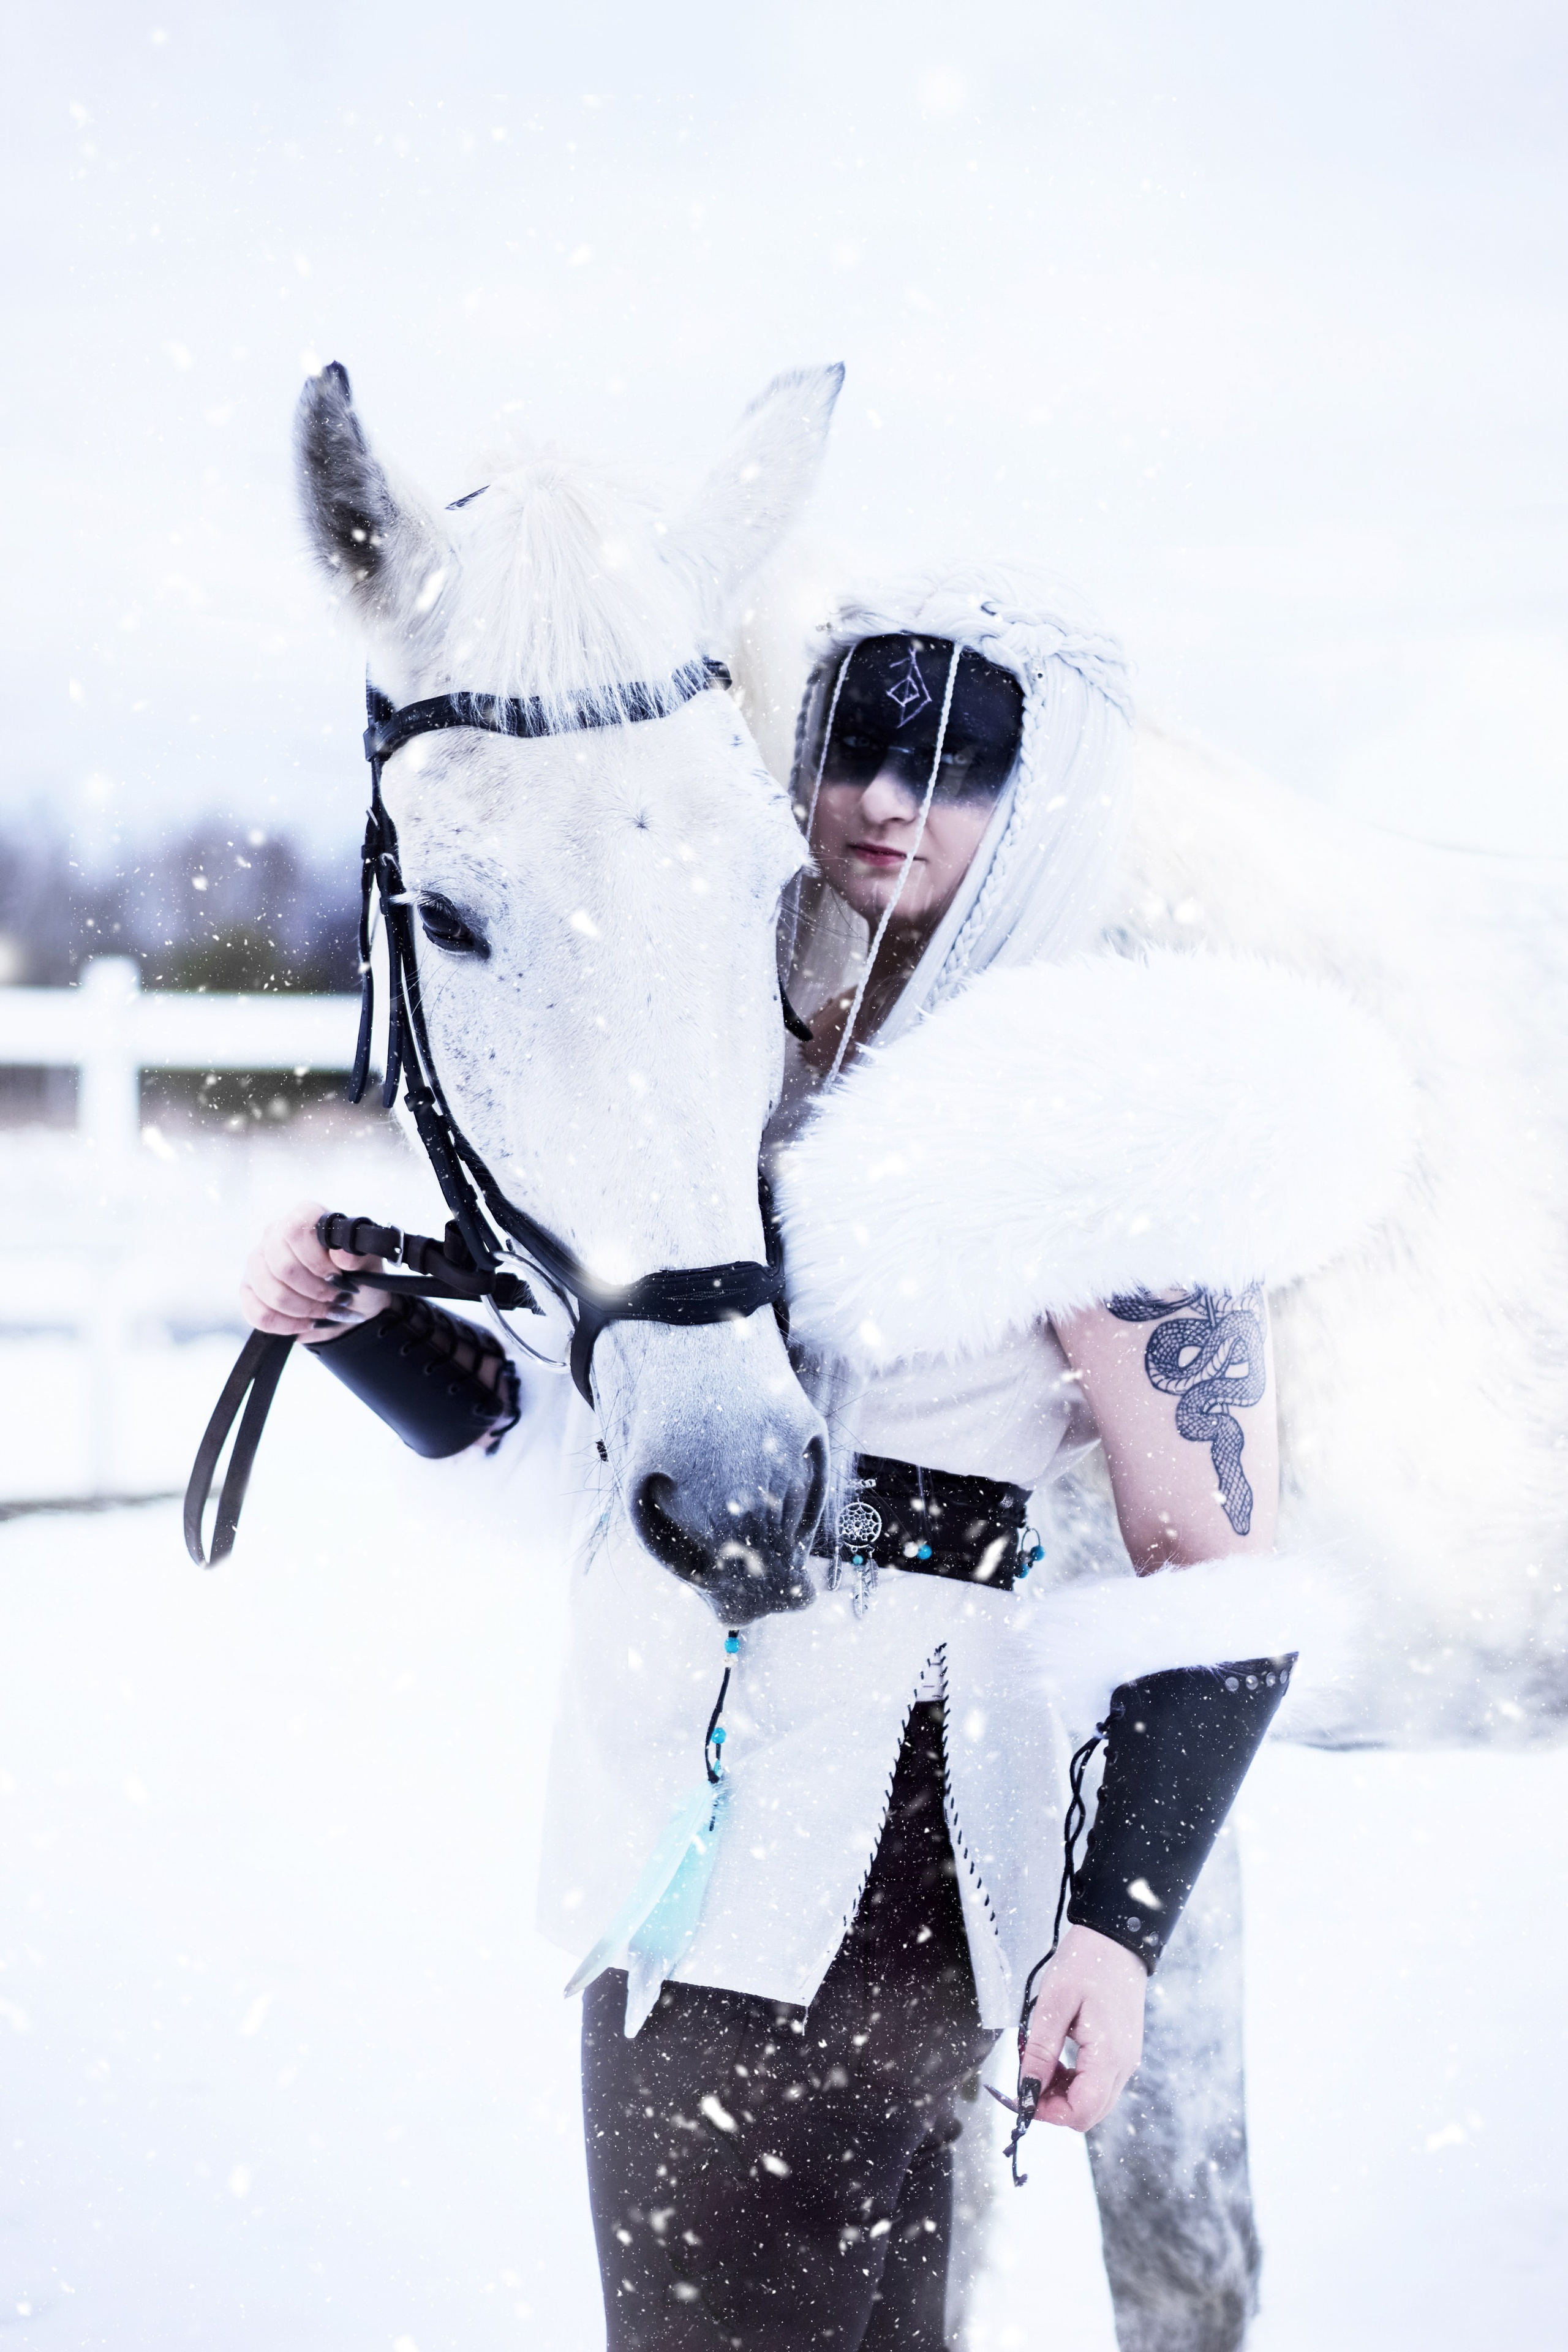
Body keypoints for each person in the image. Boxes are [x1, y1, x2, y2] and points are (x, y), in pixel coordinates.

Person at [241, 565, 1325, 2351]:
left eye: (963, 763)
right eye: (862, 745)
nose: (895, 798)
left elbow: (1220, 1571)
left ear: (1048, 795)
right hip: (670, 1816)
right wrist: (372, 1335)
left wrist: (1118, 1939)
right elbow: (593, 1458)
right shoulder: (717, 1044)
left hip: (860, 1844)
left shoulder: (1104, 1114)